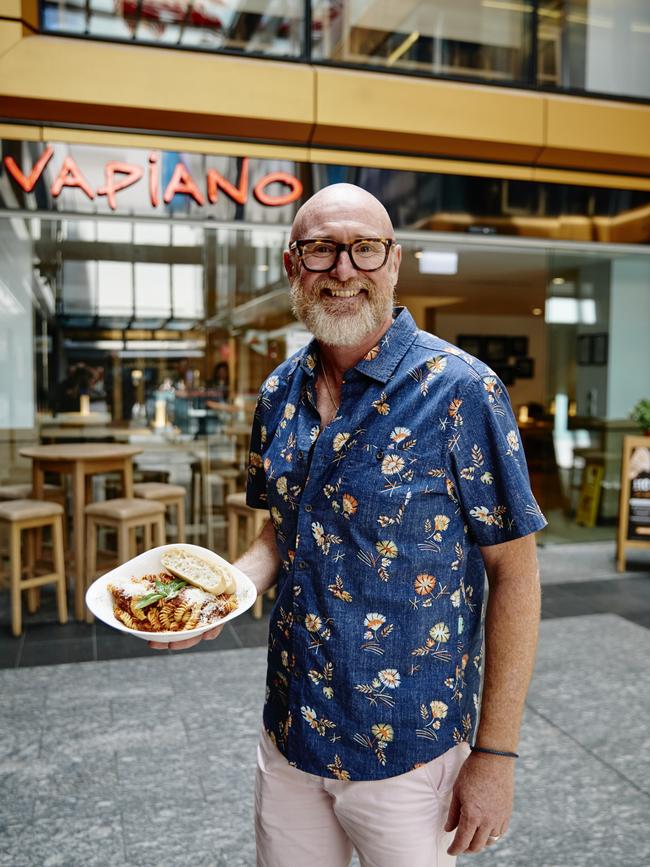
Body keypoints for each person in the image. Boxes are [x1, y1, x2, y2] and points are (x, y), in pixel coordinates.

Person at [151, 184, 546, 866]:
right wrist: (228, 589)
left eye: (365, 248)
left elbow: (515, 572)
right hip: (291, 732)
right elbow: (280, 533)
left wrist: (496, 754)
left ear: (392, 263)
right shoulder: (278, 393)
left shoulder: (462, 390)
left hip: (409, 749)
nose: (343, 270)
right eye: (321, 250)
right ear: (291, 266)